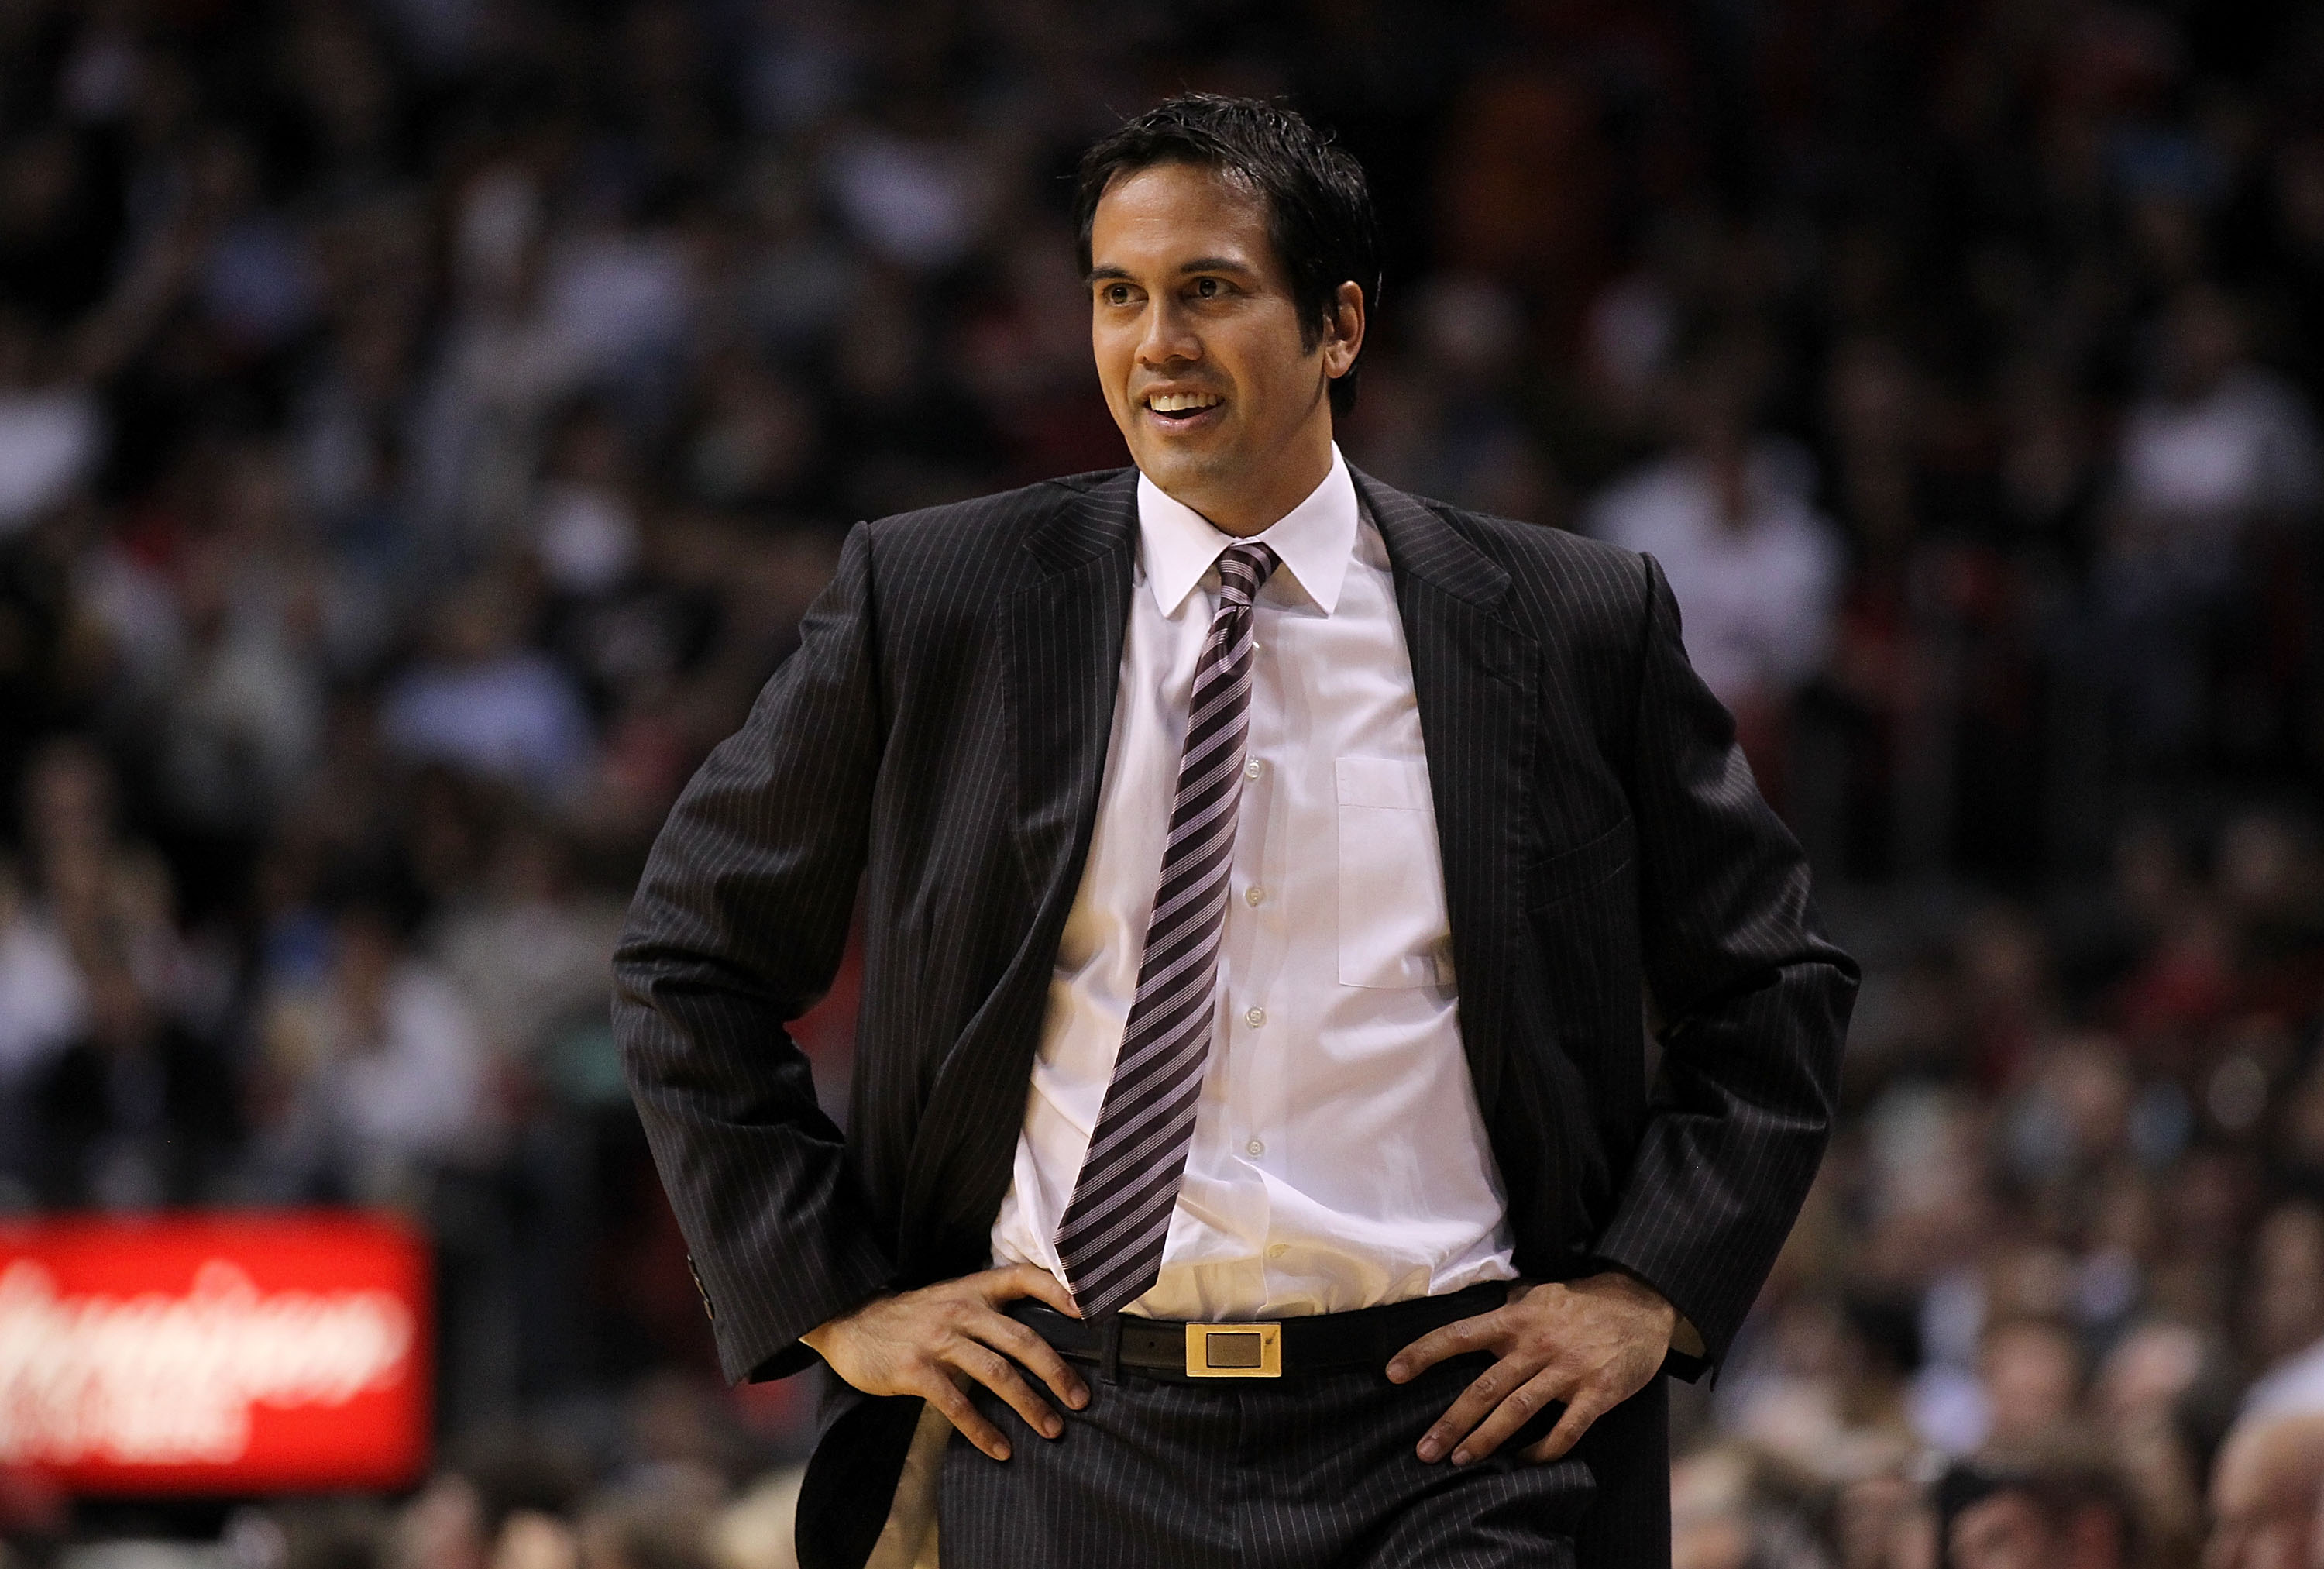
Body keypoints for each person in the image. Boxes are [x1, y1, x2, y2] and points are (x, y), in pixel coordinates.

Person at [615, 95, 1856, 1569]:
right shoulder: (937, 598)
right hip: (1064, 1422)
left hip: (1458, 1432)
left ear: (1340, 325)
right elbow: (688, 956)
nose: (1157, 344)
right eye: (1118, 295)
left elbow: (1772, 978)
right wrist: (837, 1298)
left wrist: (1651, 1287)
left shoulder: (1570, 622)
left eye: (1209, 290)